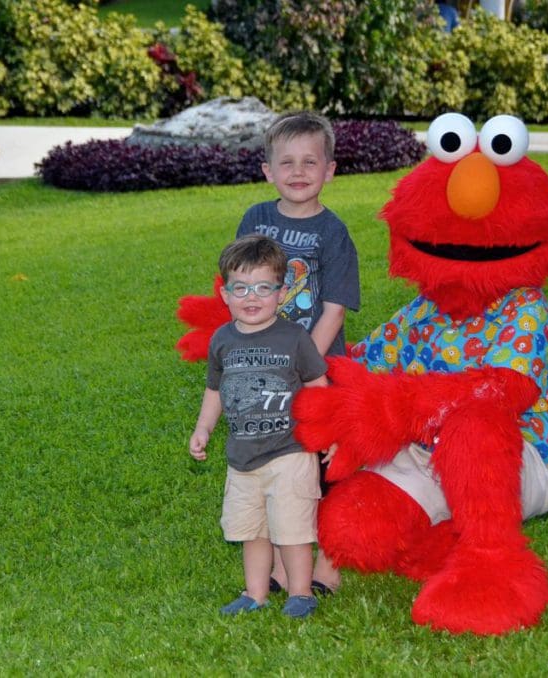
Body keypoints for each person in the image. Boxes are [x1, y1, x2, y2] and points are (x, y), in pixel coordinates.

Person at [236, 111, 360, 595]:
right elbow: (240, 287)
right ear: (267, 170)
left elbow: (332, 312)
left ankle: (327, 562)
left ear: (330, 169)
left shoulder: (333, 234)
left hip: (317, 370)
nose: (298, 171)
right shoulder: (256, 220)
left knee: (322, 466)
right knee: (273, 460)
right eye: (285, 162)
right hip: (261, 368)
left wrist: (297, 365)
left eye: (311, 161)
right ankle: (283, 562)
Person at [189, 235, 332, 618]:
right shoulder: (222, 339)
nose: (252, 298)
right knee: (250, 530)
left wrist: (327, 435)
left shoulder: (294, 338)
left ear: (282, 292)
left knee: (293, 530)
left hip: (290, 452)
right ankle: (255, 594)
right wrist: (203, 428)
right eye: (241, 288)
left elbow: (320, 388)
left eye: (263, 288)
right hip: (242, 459)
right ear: (225, 294)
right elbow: (215, 390)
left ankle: (300, 594)